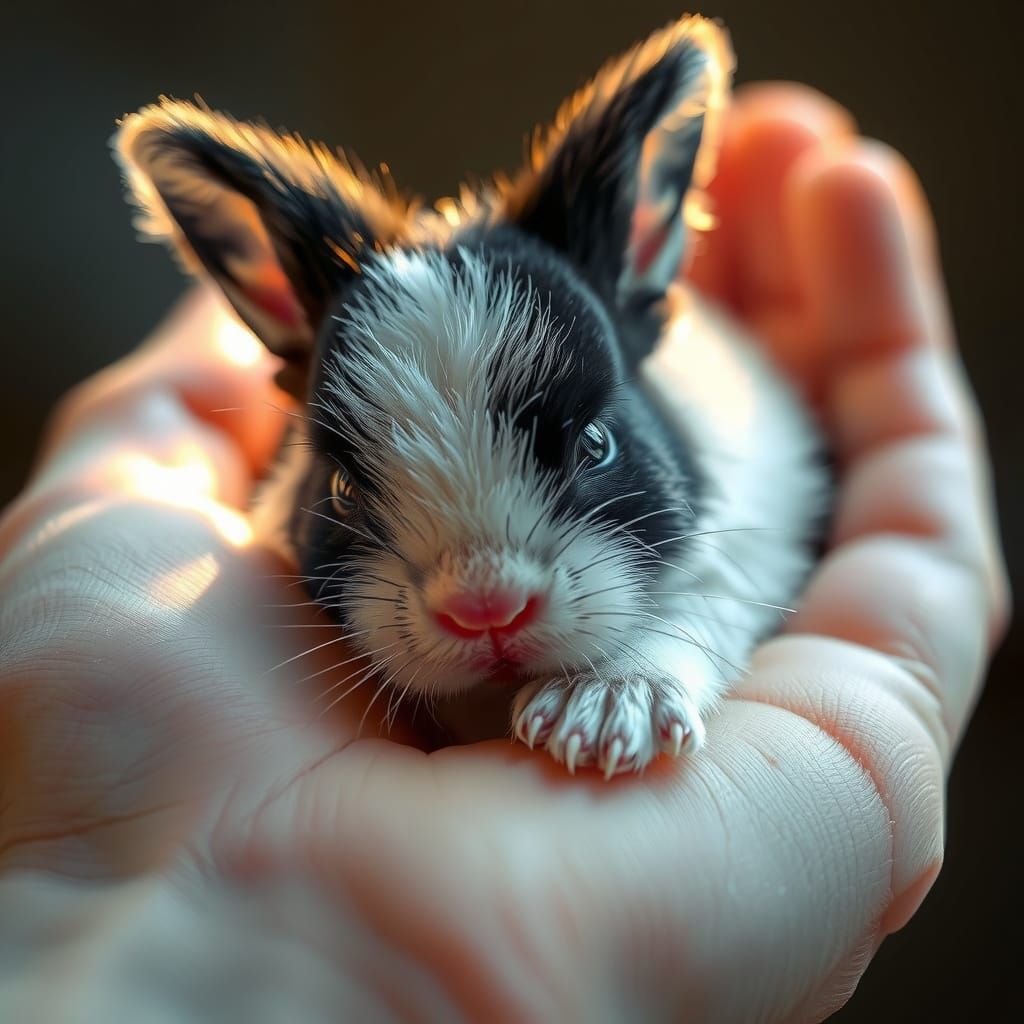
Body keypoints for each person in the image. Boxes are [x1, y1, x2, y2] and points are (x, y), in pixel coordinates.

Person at [0, 83, 1008, 1022]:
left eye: (591, 449)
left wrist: (666, 661)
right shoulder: (270, 516)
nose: (481, 599)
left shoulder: (736, 420)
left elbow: (740, 575)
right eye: (355, 491)